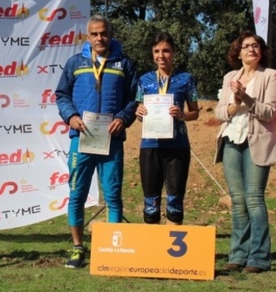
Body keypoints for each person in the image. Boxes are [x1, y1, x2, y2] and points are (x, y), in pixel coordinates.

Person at [54, 16, 138, 269]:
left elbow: (134, 98)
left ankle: (113, 251)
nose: (99, 38)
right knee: (77, 194)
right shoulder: (75, 63)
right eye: (94, 34)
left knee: (113, 196)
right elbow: (61, 94)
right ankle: (78, 249)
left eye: (103, 33)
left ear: (110, 34)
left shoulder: (125, 64)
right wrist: (71, 116)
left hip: (111, 141)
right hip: (82, 139)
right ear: (87, 37)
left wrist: (123, 118)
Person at [213, 31, 276, 273]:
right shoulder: (230, 76)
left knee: (254, 199)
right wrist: (235, 104)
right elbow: (219, 112)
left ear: (261, 51)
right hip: (231, 140)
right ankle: (238, 255)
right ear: (238, 52)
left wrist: (247, 99)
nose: (251, 49)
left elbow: (270, 112)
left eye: (255, 46)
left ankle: (259, 258)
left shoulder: (271, 76)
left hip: (256, 142)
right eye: (246, 46)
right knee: (238, 201)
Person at [135, 31, 200, 225]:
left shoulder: (186, 79)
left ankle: (172, 253)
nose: (161, 56)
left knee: (174, 201)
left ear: (174, 53)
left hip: (177, 146)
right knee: (150, 203)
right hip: (150, 146)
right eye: (156, 51)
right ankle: (153, 251)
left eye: (166, 51)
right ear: (152, 53)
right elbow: (138, 111)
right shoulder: (144, 80)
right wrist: (139, 113)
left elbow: (195, 112)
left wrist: (182, 115)